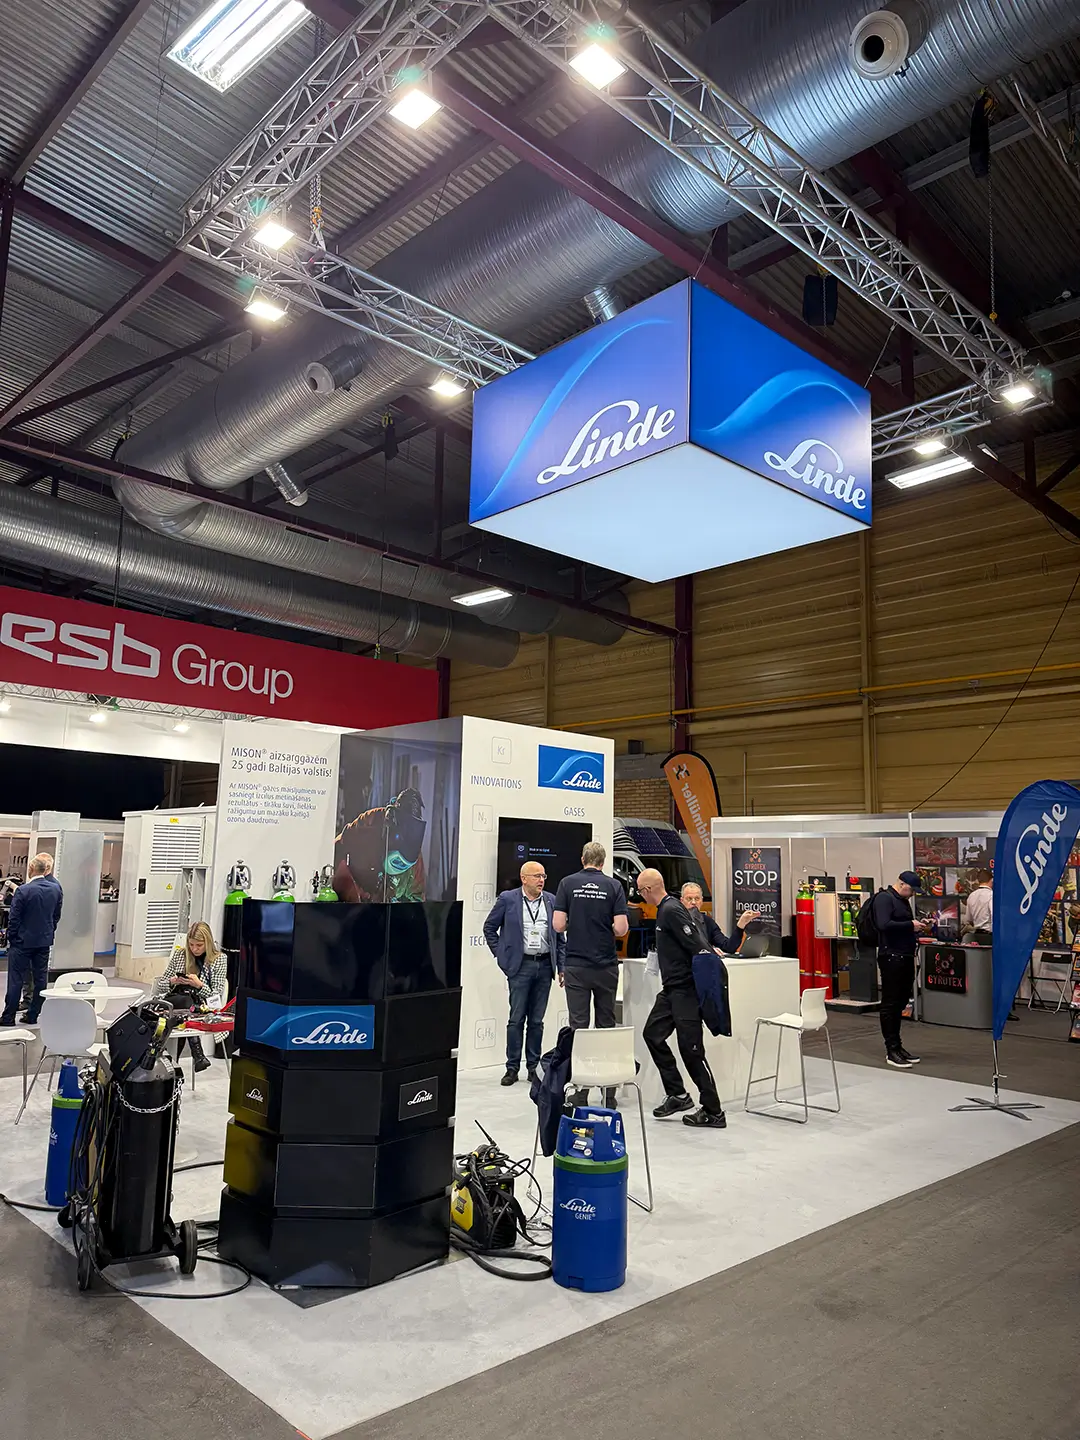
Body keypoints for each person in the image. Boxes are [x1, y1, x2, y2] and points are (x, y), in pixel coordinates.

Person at [638, 870, 759, 1129]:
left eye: (640, 891)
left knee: (691, 1050)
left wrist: (710, 963)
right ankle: (678, 1094)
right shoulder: (666, 910)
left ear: (647, 890)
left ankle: (714, 1111)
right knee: (652, 1035)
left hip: (685, 990)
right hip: (671, 990)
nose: (640, 896)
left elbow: (699, 946)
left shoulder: (671, 910)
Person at [553, 842, 628, 1107]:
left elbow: (558, 924)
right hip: (606, 965)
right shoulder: (614, 886)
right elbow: (621, 928)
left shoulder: (567, 883)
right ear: (603, 862)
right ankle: (609, 1093)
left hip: (576, 965)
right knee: (606, 1025)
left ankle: (581, 1091)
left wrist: (576, 922)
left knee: (579, 1027)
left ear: (582, 859)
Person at [483, 861, 566, 1087]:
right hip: (520, 967)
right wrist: (502, 955)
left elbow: (559, 937)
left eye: (543, 876)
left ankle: (533, 1067)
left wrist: (562, 967)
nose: (541, 880)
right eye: (537, 876)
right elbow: (489, 928)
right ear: (524, 878)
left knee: (537, 1021)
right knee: (516, 1019)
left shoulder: (551, 900)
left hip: (545, 965)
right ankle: (512, 1068)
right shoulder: (507, 899)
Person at [152, 921, 228, 1072]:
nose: (194, 949)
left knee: (185, 1008)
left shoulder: (219, 959)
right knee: (184, 1003)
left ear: (207, 942)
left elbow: (216, 994)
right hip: (175, 1000)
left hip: (200, 1005)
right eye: (191, 945)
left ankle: (172, 1066)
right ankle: (198, 1054)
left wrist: (199, 985)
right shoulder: (180, 955)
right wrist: (172, 981)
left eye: (199, 945)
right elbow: (159, 985)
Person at [871, 871, 929, 1069]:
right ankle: (892, 1049)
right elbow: (883, 924)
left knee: (901, 1001)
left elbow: (900, 925)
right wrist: (910, 925)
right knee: (891, 1003)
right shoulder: (884, 899)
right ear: (901, 884)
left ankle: (898, 1046)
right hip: (891, 956)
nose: (912, 894)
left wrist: (917, 926)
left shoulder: (902, 901)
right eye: (911, 890)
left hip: (905, 955)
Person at [1, 853, 63, 1027]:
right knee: (40, 979)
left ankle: (8, 1017)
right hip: (43, 942)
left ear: (31, 869)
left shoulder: (23, 890)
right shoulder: (55, 889)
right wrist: (48, 932)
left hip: (21, 943)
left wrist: (12, 938)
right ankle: (33, 1014)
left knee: (16, 979)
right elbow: (56, 916)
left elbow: (14, 919)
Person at [962, 870, 993, 945]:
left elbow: (968, 920)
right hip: (990, 936)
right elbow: (994, 916)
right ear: (991, 880)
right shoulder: (991, 895)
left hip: (976, 935)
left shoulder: (972, 895)